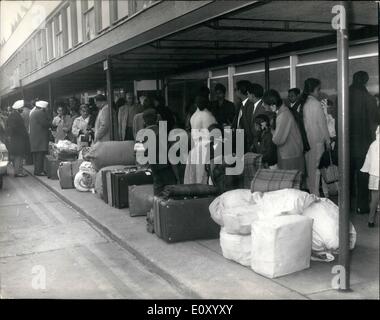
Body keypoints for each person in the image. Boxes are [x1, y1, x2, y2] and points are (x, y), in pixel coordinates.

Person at [349, 71, 380, 213]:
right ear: (365, 81)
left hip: (346, 145)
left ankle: (346, 206)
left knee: (347, 177)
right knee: (362, 177)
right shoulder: (368, 98)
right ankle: (362, 206)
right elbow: (373, 124)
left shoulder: (343, 97)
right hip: (363, 145)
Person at [299, 78, 330, 196]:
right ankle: (315, 196)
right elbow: (322, 124)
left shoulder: (303, 103)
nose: (319, 92)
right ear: (313, 89)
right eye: (318, 89)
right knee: (317, 170)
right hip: (317, 141)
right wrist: (327, 140)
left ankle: (312, 194)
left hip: (306, 142)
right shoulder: (316, 104)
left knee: (310, 171)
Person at [138, 108, 178, 195]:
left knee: (158, 188)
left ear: (144, 121)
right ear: (156, 119)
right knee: (171, 189)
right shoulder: (162, 132)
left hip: (153, 166)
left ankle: (157, 206)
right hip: (165, 167)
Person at [263, 89, 304, 172]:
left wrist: (270, 130)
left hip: (289, 156)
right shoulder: (282, 112)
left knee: (289, 182)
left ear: (273, 105)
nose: (263, 105)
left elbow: (277, 140)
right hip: (290, 154)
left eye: (265, 103)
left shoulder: (283, 115)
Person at [184, 94, 217, 184]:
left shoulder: (194, 115)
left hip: (195, 147)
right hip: (205, 148)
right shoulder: (207, 115)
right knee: (203, 175)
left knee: (194, 176)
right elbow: (213, 134)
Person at [232, 81, 262, 153]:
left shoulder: (251, 105)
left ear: (240, 91)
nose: (234, 92)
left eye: (235, 89)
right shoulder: (240, 104)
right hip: (239, 140)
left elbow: (250, 127)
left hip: (247, 143)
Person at [360, 125, 379, 227]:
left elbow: (368, 159)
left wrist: (365, 169)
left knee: (374, 199)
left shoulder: (373, 145)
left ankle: (371, 221)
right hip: (376, 175)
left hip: (375, 176)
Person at [5, 100, 30, 177]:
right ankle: (18, 172)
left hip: (17, 139)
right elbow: (14, 128)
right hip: (18, 139)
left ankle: (18, 171)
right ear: (18, 108)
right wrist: (23, 133)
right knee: (18, 156)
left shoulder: (14, 115)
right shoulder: (15, 116)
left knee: (18, 156)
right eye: (22, 108)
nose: (22, 109)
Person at [29, 100, 50, 176]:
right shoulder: (40, 113)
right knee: (40, 155)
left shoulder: (34, 112)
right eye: (46, 108)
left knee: (37, 156)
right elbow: (45, 123)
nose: (47, 109)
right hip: (40, 138)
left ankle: (37, 170)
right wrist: (53, 124)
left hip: (35, 138)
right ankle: (39, 171)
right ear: (43, 108)